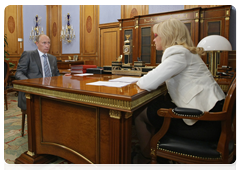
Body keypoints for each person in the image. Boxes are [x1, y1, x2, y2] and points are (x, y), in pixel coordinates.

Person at [134, 18, 225, 168]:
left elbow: (145, 83)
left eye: (156, 35)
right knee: (155, 106)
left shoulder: (178, 54)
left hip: (204, 124)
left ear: (168, 36)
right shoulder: (185, 53)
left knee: (140, 113)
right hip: (213, 117)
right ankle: (157, 154)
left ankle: (146, 158)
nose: (153, 40)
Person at [15, 34, 60, 111]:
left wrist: (64, 78)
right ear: (37, 43)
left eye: (49, 43)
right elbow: (19, 73)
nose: (47, 45)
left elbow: (56, 75)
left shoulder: (52, 58)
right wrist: (29, 83)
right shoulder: (28, 55)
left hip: (50, 92)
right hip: (33, 92)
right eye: (44, 43)